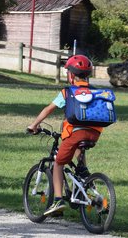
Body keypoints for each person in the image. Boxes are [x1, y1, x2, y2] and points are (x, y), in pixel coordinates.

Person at [26, 54, 103, 216]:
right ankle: (83, 174)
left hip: (75, 134)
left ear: (71, 75)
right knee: (78, 156)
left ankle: (58, 200)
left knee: (59, 164)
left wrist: (34, 125)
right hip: (94, 134)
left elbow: (48, 109)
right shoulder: (95, 91)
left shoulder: (68, 92)